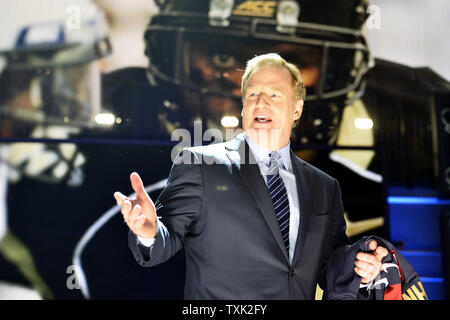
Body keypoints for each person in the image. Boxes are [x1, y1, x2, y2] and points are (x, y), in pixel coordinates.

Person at [114, 53, 388, 299]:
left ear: (297, 109)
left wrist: (361, 265)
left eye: (275, 95)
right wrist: (149, 232)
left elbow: (330, 268)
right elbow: (163, 242)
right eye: (253, 94)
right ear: (244, 107)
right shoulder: (200, 165)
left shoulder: (325, 187)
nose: (261, 103)